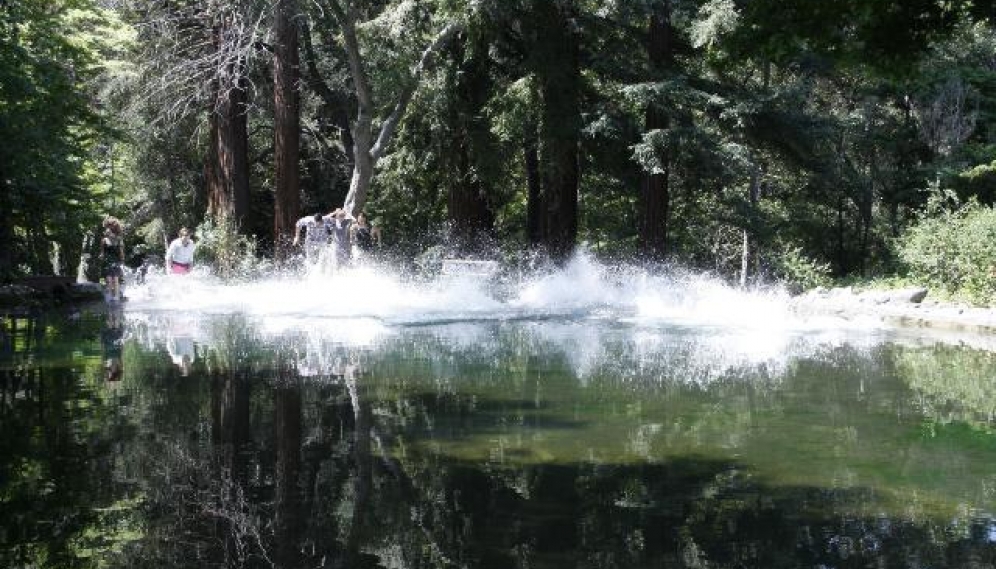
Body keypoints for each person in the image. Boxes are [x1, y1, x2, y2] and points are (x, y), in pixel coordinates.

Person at [99, 216, 125, 302]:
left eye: (109, 227)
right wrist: (101, 256)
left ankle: (116, 297)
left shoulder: (119, 239)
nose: (108, 229)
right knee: (109, 279)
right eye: (107, 227)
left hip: (115, 260)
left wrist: (122, 259)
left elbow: (121, 252)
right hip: (107, 261)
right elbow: (102, 252)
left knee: (116, 279)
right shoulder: (104, 240)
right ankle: (110, 296)